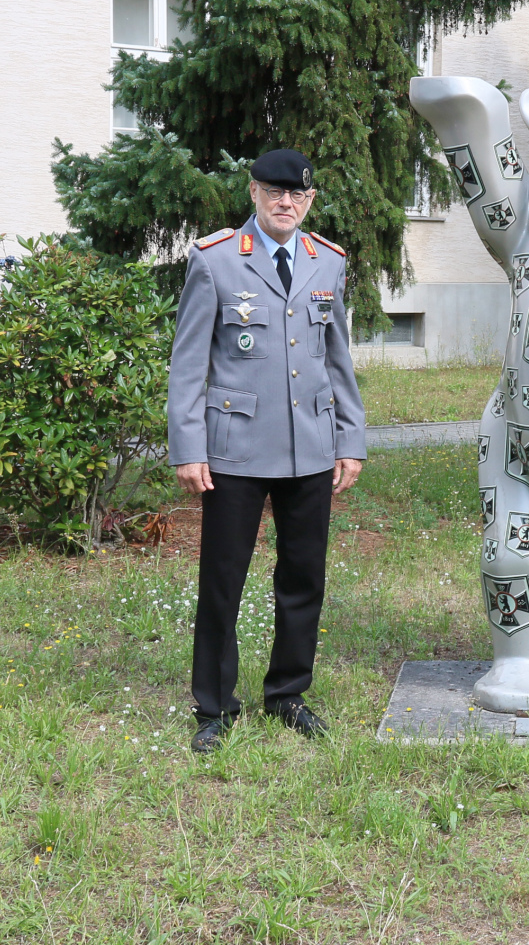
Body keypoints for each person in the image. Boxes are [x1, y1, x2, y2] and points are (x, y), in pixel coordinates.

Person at [167, 149, 367, 753]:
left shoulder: (325, 262)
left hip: (311, 447)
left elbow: (338, 360)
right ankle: (214, 705)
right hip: (235, 450)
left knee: (304, 576)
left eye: (299, 196)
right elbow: (188, 365)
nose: (287, 203)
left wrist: (350, 439)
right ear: (254, 192)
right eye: (276, 192)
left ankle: (287, 693)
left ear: (309, 200)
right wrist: (188, 447)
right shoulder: (216, 261)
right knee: (223, 579)